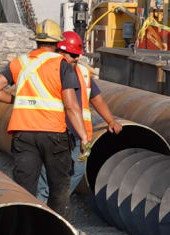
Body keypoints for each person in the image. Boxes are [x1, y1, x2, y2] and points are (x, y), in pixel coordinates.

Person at [7, 28, 105, 215]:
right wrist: (85, 137)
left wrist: (15, 100)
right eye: (72, 54)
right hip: (56, 132)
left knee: (28, 184)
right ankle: (52, 221)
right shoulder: (61, 66)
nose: (75, 58)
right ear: (58, 47)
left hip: (25, 131)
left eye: (77, 55)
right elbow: (70, 106)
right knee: (57, 184)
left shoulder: (21, 63)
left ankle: (29, 222)